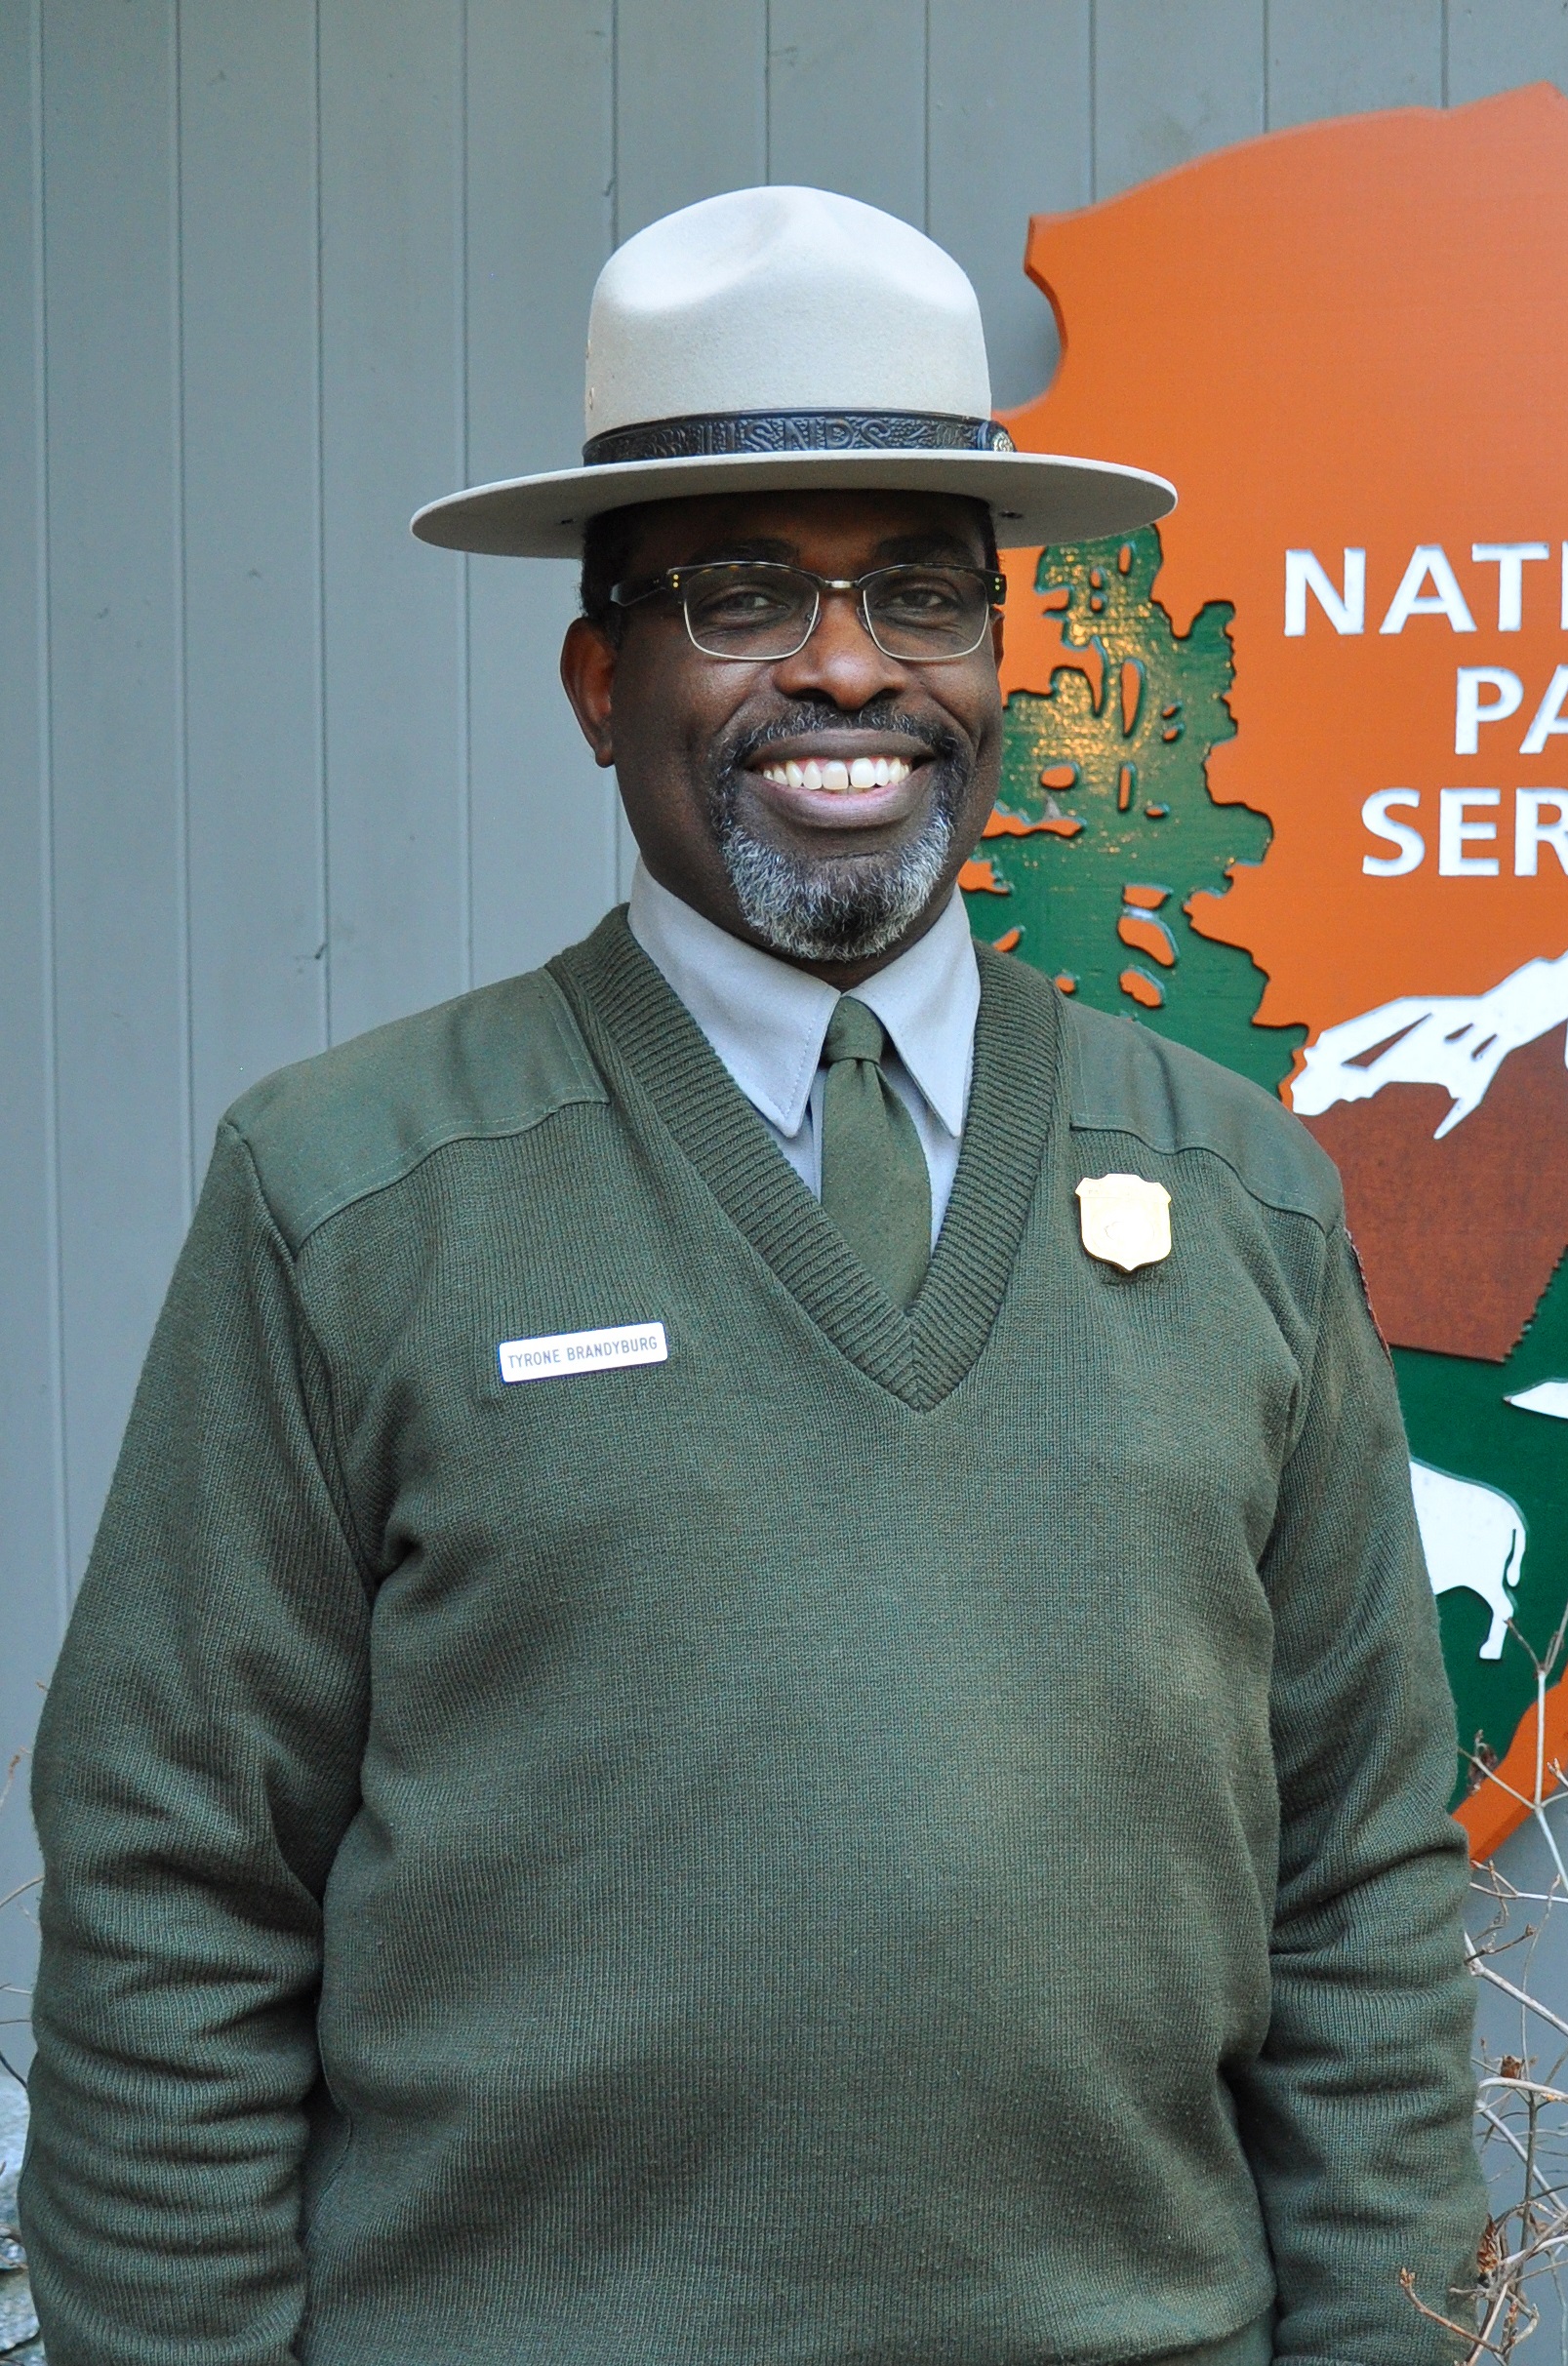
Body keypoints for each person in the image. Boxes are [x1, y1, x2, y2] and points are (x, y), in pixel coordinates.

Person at [21, 185, 1485, 2366]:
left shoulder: (1245, 1198)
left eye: (921, 592)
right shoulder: (355, 1192)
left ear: (1005, 663)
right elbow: (168, 1889)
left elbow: (1360, 1885)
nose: (847, 666)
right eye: (741, 597)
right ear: (599, 675)